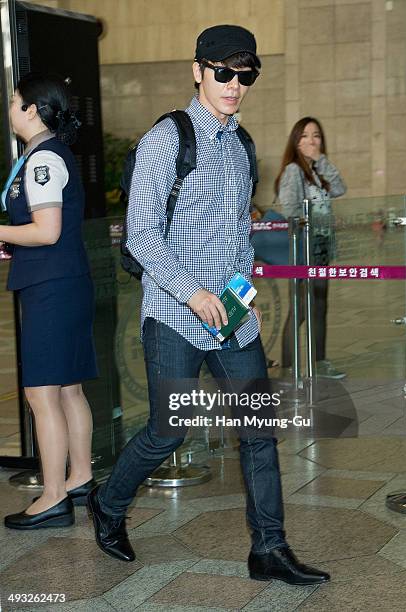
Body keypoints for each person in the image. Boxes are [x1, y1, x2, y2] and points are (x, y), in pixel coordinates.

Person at [87, 25, 329, 586]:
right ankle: (108, 504)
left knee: (259, 432)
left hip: (231, 316)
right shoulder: (166, 140)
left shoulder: (241, 145)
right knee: (169, 431)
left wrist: (244, 297)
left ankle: (269, 548)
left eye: (245, 76)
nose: (234, 85)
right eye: (224, 72)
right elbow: (141, 233)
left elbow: (238, 240)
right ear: (198, 70)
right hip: (174, 313)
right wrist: (190, 291)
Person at [1, 73, 98, 530]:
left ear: (32, 110)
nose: (10, 108)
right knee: (68, 389)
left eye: (14, 101)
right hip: (66, 282)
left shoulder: (42, 160)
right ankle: (80, 478)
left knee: (42, 394)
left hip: (51, 289)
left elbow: (47, 231)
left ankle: (54, 495)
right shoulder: (48, 156)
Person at [276, 117, 347, 379]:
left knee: (319, 307)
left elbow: (340, 188)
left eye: (316, 135)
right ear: (296, 141)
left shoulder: (317, 171)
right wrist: (319, 219)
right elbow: (291, 212)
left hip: (321, 250)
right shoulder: (293, 171)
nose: (311, 141)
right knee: (300, 311)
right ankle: (288, 370)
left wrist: (321, 160)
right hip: (302, 250)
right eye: (304, 136)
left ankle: (319, 364)